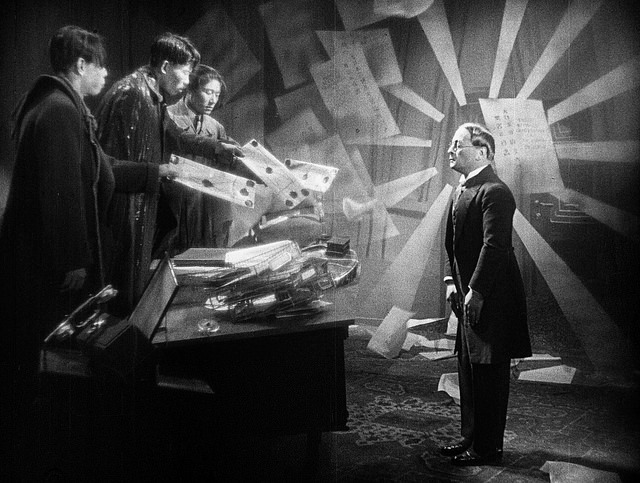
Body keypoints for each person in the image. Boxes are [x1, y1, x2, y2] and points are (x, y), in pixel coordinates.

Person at [0, 25, 180, 479]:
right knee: (50, 360)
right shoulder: (59, 111)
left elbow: (102, 167)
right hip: (51, 267)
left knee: (52, 361)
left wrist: (153, 173)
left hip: (46, 261)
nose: (106, 73)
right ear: (81, 65)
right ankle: (46, 450)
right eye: (100, 65)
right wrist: (73, 260)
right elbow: (59, 191)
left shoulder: (61, 106)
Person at [95, 32, 243, 313]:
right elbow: (107, 163)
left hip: (139, 204)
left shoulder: (151, 96)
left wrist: (216, 147)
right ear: (165, 67)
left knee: (133, 289)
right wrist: (155, 172)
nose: (187, 81)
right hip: (125, 209)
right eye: (185, 72)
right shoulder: (133, 94)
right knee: (123, 291)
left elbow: (176, 136)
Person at [441, 122, 531, 466]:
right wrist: (452, 282)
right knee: (468, 368)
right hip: (467, 294)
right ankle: (471, 439)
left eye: (458, 145)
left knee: (489, 373)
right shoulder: (462, 188)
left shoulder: (495, 191)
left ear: (482, 152)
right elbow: (450, 243)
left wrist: (475, 291)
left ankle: (487, 448)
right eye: (451, 144)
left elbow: (495, 247)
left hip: (492, 296)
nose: (450, 150)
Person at [166, 64, 239, 250]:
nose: (213, 100)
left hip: (204, 206)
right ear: (190, 89)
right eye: (208, 92)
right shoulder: (168, 117)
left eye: (217, 94)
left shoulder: (215, 127)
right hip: (173, 203)